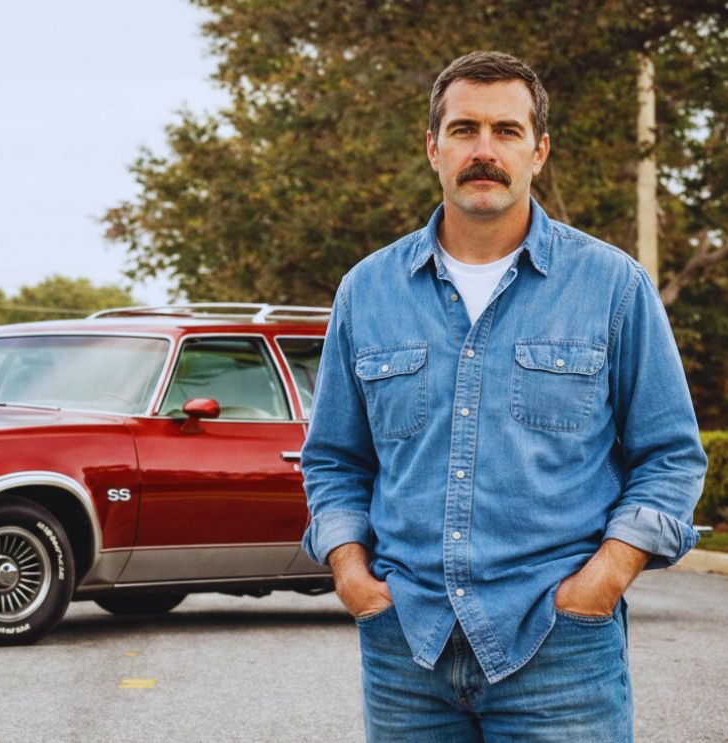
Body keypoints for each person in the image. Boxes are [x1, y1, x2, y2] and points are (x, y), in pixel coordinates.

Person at [301, 51, 706, 742]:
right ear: (432, 148)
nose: (482, 150)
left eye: (505, 131)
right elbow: (334, 459)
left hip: (560, 648)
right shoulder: (365, 291)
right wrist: (351, 572)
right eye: (462, 130)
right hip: (407, 649)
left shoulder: (613, 287)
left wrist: (602, 580)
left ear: (538, 150)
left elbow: (669, 457)